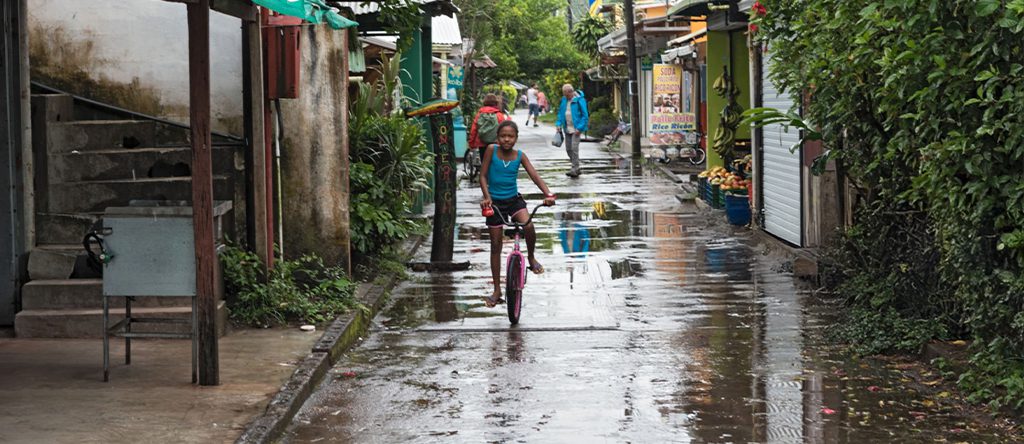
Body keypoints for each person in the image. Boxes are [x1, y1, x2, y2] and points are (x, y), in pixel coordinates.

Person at [479, 121, 556, 307]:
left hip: (514, 200)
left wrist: (548, 194)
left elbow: (535, 176)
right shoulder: (491, 150)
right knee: (495, 245)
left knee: (528, 225)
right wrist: (487, 196)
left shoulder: (520, 156)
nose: (507, 139)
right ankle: (497, 290)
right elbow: (482, 175)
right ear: (497, 138)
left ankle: (530, 257)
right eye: (503, 136)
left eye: (510, 136)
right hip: (494, 202)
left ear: (516, 138)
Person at [555, 84, 589, 178]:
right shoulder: (564, 100)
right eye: (564, 94)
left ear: (571, 92)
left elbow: (585, 115)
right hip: (567, 128)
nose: (565, 96)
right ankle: (576, 167)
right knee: (568, 149)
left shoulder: (579, 100)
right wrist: (558, 124)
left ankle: (574, 169)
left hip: (576, 129)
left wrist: (580, 127)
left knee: (574, 149)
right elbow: (561, 113)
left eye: (567, 94)